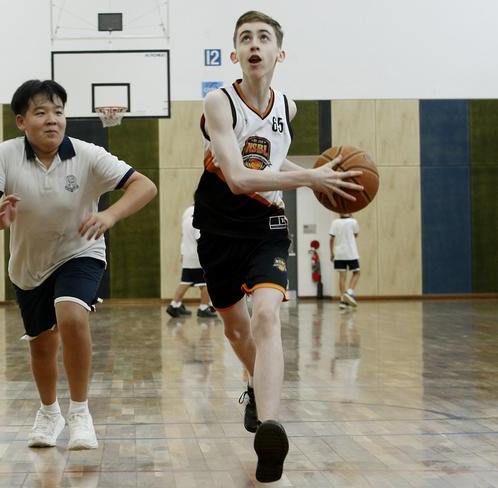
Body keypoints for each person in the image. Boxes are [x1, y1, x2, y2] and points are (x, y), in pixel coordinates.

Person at [192, 11, 363, 483]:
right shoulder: (219, 102)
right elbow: (239, 176)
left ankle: (269, 430)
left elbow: (270, 154)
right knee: (236, 329)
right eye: (245, 38)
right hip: (220, 222)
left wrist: (314, 177)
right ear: (235, 54)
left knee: (267, 316)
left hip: (267, 222)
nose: (254, 44)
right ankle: (252, 386)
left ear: (277, 53)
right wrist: (308, 177)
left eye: (263, 38)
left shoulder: (288, 106)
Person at [0, 79, 157, 451]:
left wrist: (111, 216)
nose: (52, 120)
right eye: (41, 113)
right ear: (22, 121)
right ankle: (49, 412)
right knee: (41, 344)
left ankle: (81, 412)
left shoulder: (87, 154)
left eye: (58, 111)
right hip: (29, 266)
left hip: (80, 251)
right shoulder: (5, 155)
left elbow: (144, 186)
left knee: (71, 316)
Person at [166, 205, 217, 318]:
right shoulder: (199, 222)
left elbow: (183, 237)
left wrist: (182, 253)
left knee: (185, 281)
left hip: (188, 256)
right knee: (206, 284)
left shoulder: (187, 219)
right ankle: (204, 308)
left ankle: (174, 305)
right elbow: (202, 241)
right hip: (197, 258)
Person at [329, 213, 360, 307]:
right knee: (357, 272)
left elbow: (331, 239)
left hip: (339, 253)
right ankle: (349, 292)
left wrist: (332, 253)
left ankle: (343, 300)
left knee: (342, 277)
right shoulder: (353, 222)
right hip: (351, 253)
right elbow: (356, 235)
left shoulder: (335, 222)